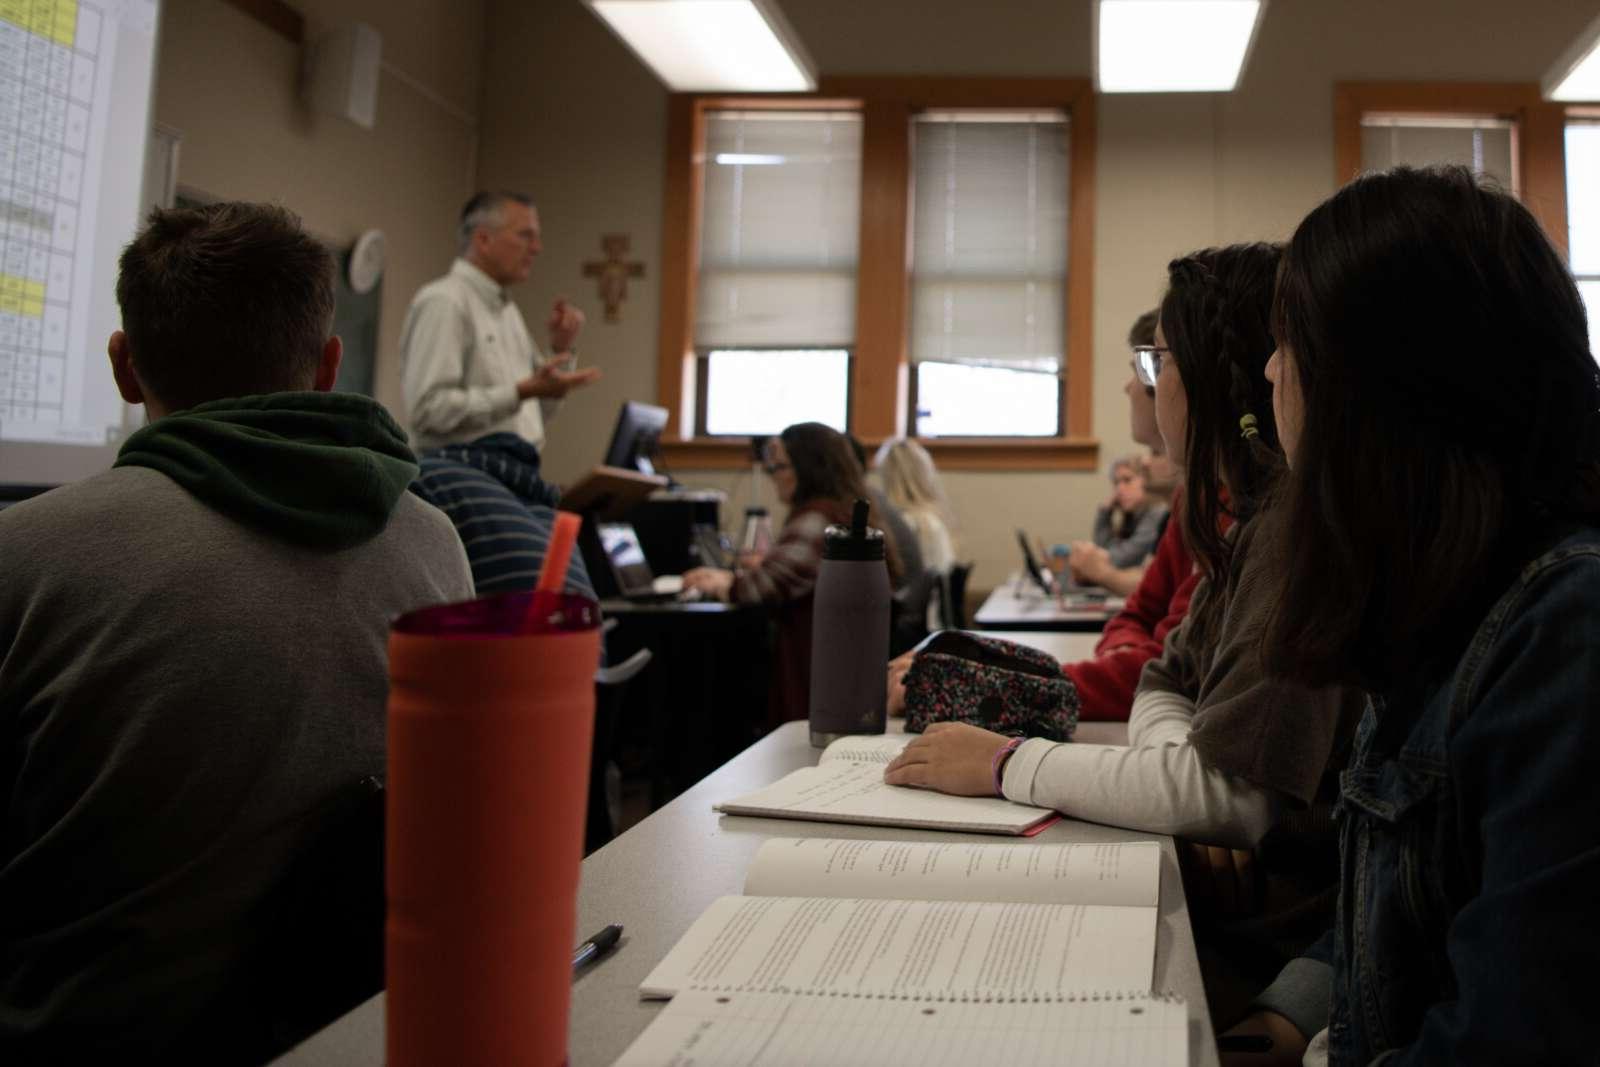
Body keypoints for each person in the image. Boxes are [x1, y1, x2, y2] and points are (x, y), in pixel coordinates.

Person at [0, 203, 475, 1060]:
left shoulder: (23, 555)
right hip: (362, 1034)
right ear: (329, 366)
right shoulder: (437, 546)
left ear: (123, 365)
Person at [885, 245, 1362, 1005]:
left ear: (1213, 377)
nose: (1143, 381)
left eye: (1156, 361)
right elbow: (1164, 678)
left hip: (1272, 940)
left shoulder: (1289, 533)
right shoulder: (1243, 525)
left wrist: (1007, 762)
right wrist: (1183, 783)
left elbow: (1226, 799)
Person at [1219, 167, 1600, 1066]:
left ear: (1380, 389)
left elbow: (1507, 1039)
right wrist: (1278, 1022)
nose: (1269, 374)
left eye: (1289, 341)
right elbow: (1389, 909)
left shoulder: (1563, 631)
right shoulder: (1440, 607)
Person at [887, 308, 1204, 723]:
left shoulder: (1217, 508)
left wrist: (969, 684)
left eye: (1146, 367)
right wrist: (1126, 656)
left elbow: (1167, 668)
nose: (1130, 385)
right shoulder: (1190, 501)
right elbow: (1137, 618)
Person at [683, 423, 899, 726]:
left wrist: (722, 581)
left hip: (815, 679)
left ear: (808, 469)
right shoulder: (844, 510)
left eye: (780, 467)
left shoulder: (816, 518)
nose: (773, 476)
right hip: (848, 675)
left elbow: (760, 588)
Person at [399, 190, 601, 454]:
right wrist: (517, 393)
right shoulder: (444, 302)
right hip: (462, 477)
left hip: (515, 476)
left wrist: (560, 350)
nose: (537, 248)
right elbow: (428, 411)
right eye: (525, 235)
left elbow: (534, 412)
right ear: (483, 239)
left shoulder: (508, 311)